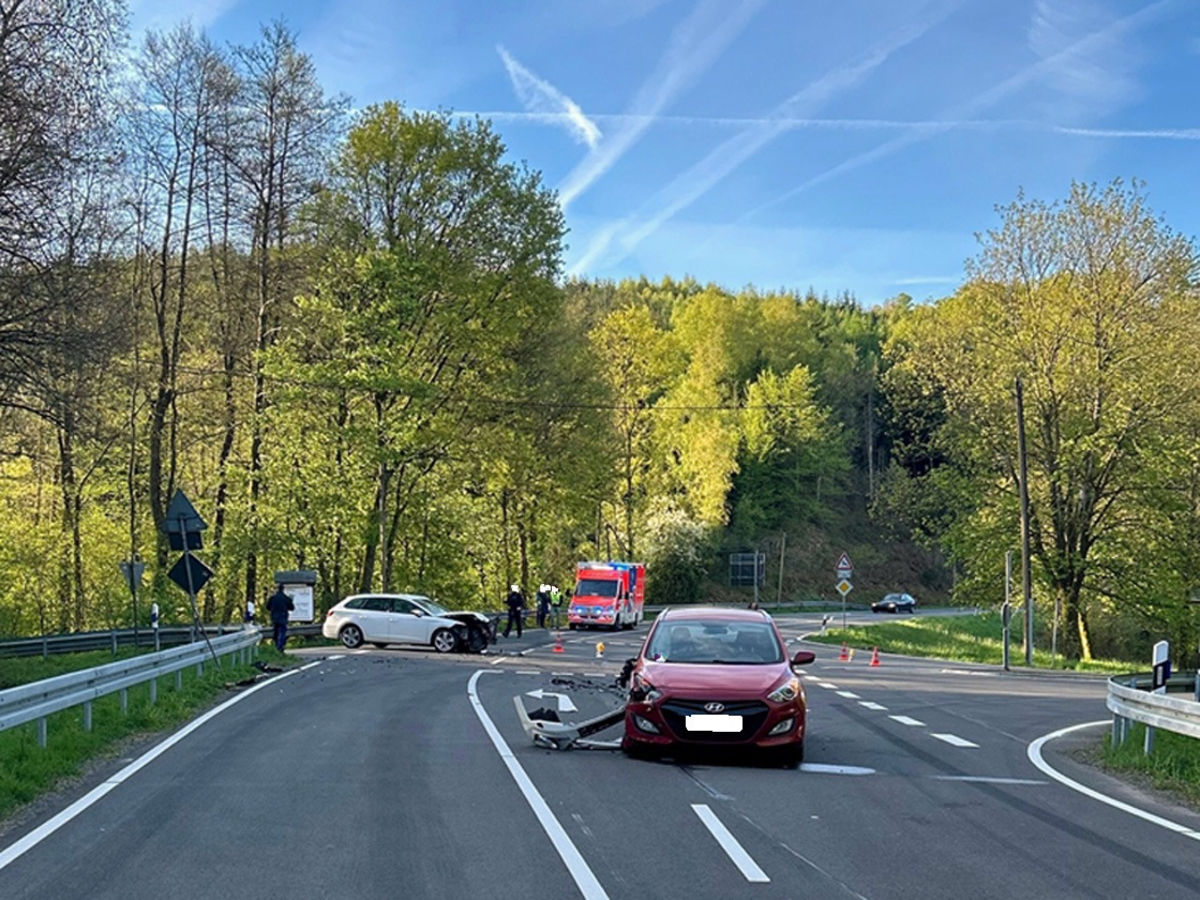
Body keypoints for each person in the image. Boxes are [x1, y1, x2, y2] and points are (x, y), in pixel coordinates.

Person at [266, 586, 294, 652]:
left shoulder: (273, 598)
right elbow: (292, 608)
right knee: (282, 632)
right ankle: (280, 646)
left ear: (277, 589)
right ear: (283, 589)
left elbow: (268, 607)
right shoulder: (286, 598)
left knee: (276, 632)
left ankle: (277, 645)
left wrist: (273, 609)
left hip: (275, 617)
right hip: (283, 617)